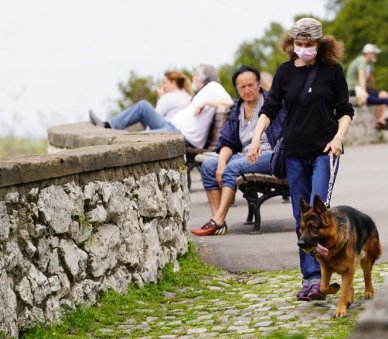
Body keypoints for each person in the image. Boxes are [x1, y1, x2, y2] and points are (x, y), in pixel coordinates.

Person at [246, 18, 354, 302]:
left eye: (309, 45)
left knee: (319, 212)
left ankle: (328, 269)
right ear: (291, 43)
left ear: (319, 45)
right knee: (301, 217)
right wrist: (257, 138)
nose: (303, 49)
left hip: (324, 150)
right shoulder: (284, 72)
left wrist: (339, 138)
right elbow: (269, 108)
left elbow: (345, 110)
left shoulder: (332, 71)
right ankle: (311, 279)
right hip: (294, 153)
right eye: (299, 44)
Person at [191, 65, 285, 236]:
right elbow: (228, 141)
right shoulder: (237, 109)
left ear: (259, 84)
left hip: (270, 154)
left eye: (251, 85)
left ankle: (217, 220)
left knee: (232, 168)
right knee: (208, 166)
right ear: (236, 88)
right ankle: (219, 222)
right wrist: (220, 163)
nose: (247, 90)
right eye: (242, 86)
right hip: (244, 155)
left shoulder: (273, 104)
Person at [89, 64, 233, 148]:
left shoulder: (213, 87)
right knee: (143, 106)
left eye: (195, 75)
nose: (193, 78)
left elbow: (230, 102)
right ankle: (108, 125)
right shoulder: (202, 92)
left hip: (181, 134)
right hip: (172, 127)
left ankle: (108, 131)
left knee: (134, 138)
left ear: (202, 77)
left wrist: (205, 103)